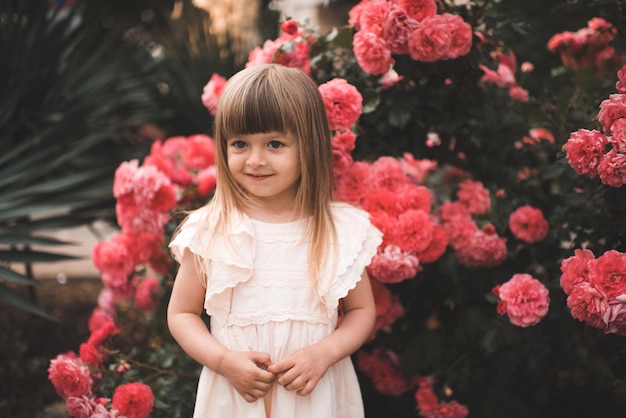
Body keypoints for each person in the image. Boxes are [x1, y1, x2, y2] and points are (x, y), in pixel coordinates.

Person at [167, 63, 382, 418]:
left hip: (314, 396)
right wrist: (224, 360)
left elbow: (361, 310)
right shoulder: (212, 230)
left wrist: (324, 353)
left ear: (308, 146)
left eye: (275, 144)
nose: (255, 160)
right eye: (240, 144)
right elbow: (181, 313)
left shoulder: (336, 230)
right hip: (237, 397)